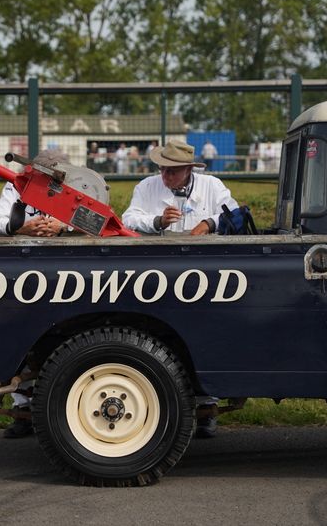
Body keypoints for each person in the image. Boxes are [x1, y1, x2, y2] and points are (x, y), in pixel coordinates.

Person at [122, 139, 239, 437]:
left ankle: (207, 408)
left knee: (203, 336)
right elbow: (128, 219)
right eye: (162, 169)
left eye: (172, 171)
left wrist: (208, 225)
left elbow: (234, 213)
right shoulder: (147, 186)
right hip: (159, 271)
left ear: (188, 169)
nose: (165, 176)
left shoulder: (212, 185)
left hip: (203, 273)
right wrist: (157, 220)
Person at [0, 149, 72, 438]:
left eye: (53, 176)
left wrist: (62, 228)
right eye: (44, 175)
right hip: (24, 270)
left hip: (68, 274)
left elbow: (101, 224)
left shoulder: (76, 188)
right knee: (17, 337)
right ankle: (22, 409)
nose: (48, 181)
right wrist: (21, 227)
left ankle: (55, 407)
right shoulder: (16, 186)